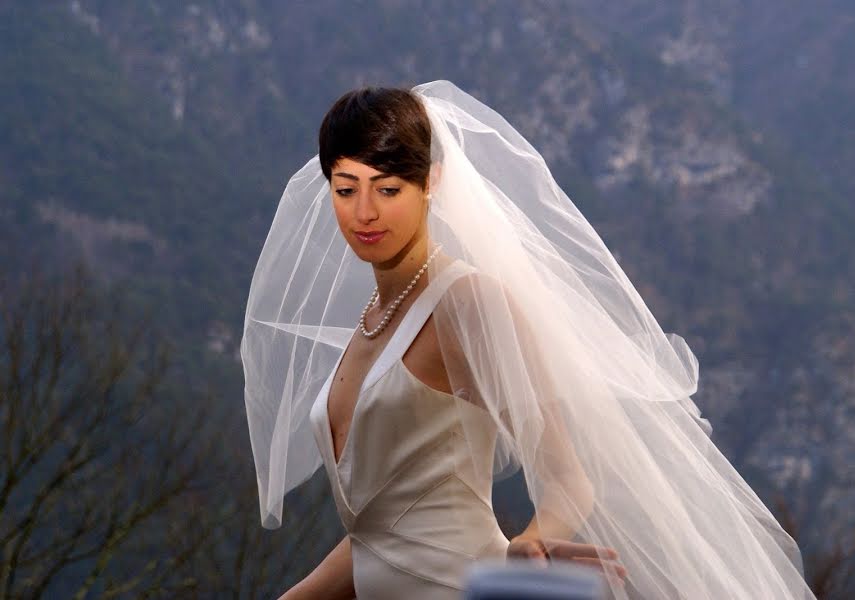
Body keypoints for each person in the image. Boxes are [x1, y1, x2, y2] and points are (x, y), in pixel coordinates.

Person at [240, 80, 815, 599]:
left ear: (431, 183)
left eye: (388, 189)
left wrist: (535, 540)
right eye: (347, 189)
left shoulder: (467, 304)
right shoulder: (372, 319)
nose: (364, 212)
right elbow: (381, 531)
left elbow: (568, 478)